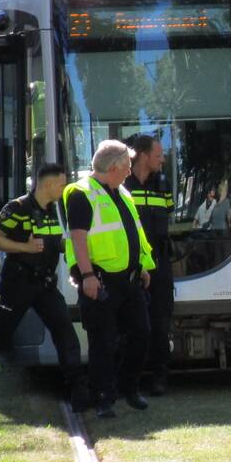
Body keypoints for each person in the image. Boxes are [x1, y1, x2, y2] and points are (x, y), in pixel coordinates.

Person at [0, 164, 85, 411]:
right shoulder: (18, 207)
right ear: (47, 184)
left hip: (45, 284)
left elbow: (54, 242)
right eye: (61, 184)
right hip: (19, 283)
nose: (63, 188)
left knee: (65, 333)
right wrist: (26, 248)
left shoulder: (54, 209)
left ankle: (79, 393)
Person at [64, 140, 155, 418]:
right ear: (114, 167)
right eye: (127, 166)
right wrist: (88, 276)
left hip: (128, 279)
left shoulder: (122, 192)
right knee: (102, 342)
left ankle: (128, 387)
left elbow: (131, 233)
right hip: (100, 281)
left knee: (142, 333)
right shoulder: (82, 193)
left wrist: (141, 266)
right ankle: (103, 396)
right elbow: (78, 240)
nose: (130, 171)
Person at [125, 135, 175, 395]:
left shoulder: (163, 184)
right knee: (131, 323)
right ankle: (129, 378)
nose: (163, 160)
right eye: (158, 155)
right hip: (131, 266)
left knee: (161, 322)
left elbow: (168, 216)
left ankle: (159, 377)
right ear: (143, 156)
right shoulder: (123, 185)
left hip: (160, 264)